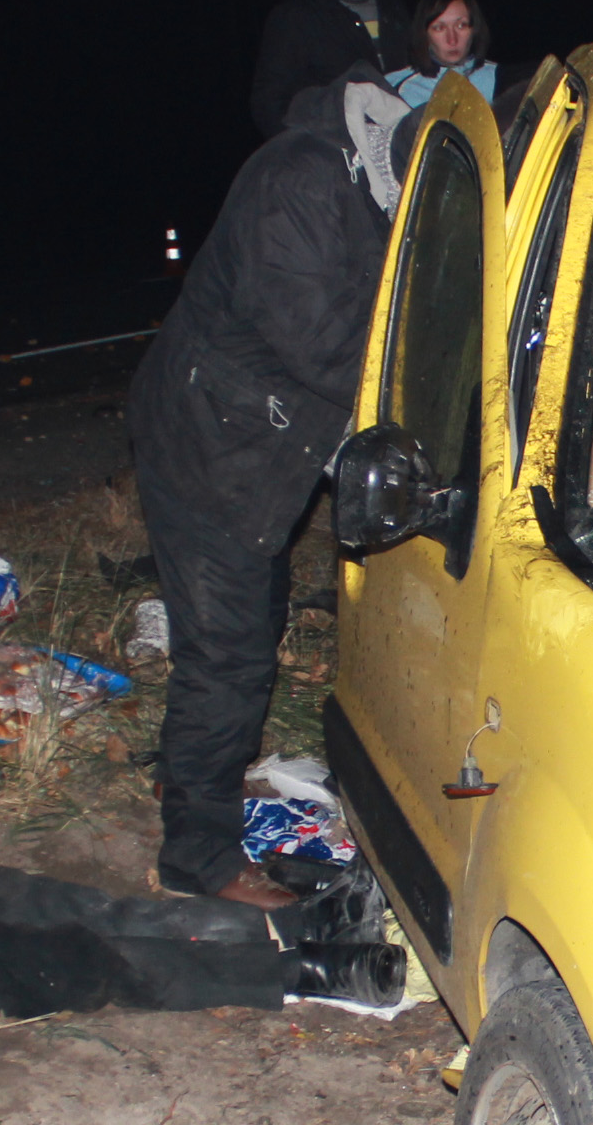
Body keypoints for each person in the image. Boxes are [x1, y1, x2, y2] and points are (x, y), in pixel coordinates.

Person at [129, 68, 416, 908]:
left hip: (253, 439)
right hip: (211, 444)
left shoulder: (366, 183)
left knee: (248, 627)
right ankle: (199, 857)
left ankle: (190, 781)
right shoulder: (300, 181)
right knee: (230, 657)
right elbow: (327, 345)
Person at [250, 0, 411, 137]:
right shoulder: (295, 17)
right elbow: (268, 104)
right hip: (332, 157)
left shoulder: (401, 12)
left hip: (400, 151)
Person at [386, 0, 498, 107]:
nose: (452, 39)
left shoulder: (499, 78)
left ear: (474, 29)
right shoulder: (403, 89)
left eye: (461, 25)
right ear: (424, 35)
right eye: (439, 28)